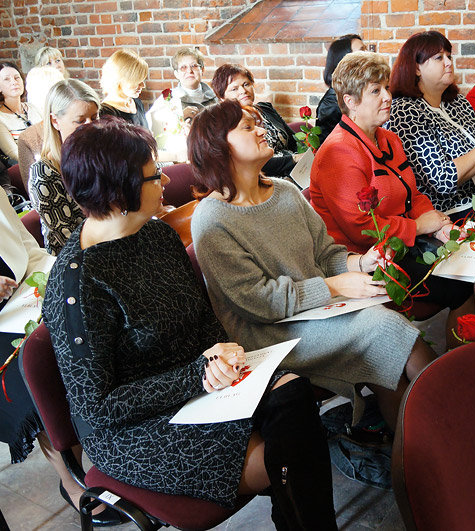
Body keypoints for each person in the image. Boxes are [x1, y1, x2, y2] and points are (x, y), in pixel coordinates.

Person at [42, 117, 338, 529]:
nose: (165, 179)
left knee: (293, 394)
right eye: (152, 175)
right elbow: (99, 406)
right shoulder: (78, 283)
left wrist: (224, 352)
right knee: (288, 450)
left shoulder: (157, 236)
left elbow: (201, 318)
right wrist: (198, 376)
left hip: (199, 385)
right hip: (136, 429)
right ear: (117, 191)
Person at [189, 100, 436, 430]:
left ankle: (428, 441)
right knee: (384, 329)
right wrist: (333, 286)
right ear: (217, 146)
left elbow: (325, 255)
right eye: (248, 128)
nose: (263, 130)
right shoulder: (213, 218)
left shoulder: (285, 191)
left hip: (315, 311)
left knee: (387, 340)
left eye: (258, 123)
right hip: (268, 332)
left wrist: (360, 262)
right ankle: (444, 432)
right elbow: (258, 302)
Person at [0, 178, 123, 526]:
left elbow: (32, 255)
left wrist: (58, 283)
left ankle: (113, 448)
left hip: (22, 307)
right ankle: (71, 477)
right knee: (34, 378)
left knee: (95, 339)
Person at [310, 51, 474, 348]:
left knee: (471, 274)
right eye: (376, 91)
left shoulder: (388, 138)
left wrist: (438, 225)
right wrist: (419, 228)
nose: (387, 96)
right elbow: (360, 228)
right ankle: (454, 368)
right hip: (366, 260)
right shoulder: (339, 152)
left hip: (403, 247)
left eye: (386, 87)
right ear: (351, 101)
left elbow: (413, 195)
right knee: (460, 286)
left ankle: (460, 361)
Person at [387, 31, 475, 220]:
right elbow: (442, 179)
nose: (449, 62)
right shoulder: (404, 111)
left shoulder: (457, 101)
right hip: (454, 213)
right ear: (416, 68)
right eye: (438, 58)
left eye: (449, 56)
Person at [28, 79, 100, 255]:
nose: (90, 126)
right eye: (80, 120)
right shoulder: (44, 172)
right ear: (55, 121)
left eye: (95, 117)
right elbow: (69, 242)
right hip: (76, 262)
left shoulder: (99, 156)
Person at [211, 64, 299, 179]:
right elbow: (255, 164)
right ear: (222, 97)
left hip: (298, 169)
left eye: (246, 84)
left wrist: (307, 156)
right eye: (234, 89)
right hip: (268, 179)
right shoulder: (229, 124)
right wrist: (294, 159)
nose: (243, 91)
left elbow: (295, 140)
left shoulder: (265, 108)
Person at [146, 48, 217, 160]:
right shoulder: (167, 98)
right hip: (182, 158)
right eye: (183, 67)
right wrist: (180, 117)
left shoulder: (216, 97)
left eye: (194, 66)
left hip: (213, 155)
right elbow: (154, 131)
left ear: (202, 69)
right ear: (176, 74)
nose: (189, 71)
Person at [0, 62, 42, 164]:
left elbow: (50, 137)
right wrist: (41, 160)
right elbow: (14, 153)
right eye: (7, 79)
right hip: (28, 166)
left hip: (49, 158)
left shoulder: (33, 108)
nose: (14, 82)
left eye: (17, 78)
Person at [316, 34, 365, 145]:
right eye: (362, 51)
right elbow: (331, 148)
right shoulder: (330, 104)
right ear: (344, 60)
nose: (370, 55)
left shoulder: (359, 92)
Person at [99, 49, 149, 128]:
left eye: (142, 80)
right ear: (119, 80)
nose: (143, 85)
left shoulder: (137, 103)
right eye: (137, 81)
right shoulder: (105, 113)